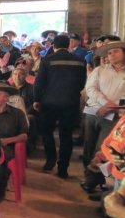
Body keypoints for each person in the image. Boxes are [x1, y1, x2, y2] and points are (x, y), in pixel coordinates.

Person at [33, 34, 87, 179]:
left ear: (53, 46)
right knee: (66, 136)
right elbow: (82, 84)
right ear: (69, 45)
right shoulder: (80, 61)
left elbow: (39, 83)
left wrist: (37, 99)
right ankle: (63, 168)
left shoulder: (48, 60)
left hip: (49, 102)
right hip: (70, 103)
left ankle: (50, 161)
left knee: (47, 131)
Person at [82, 40, 125, 182]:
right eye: (109, 52)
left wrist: (112, 106)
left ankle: (97, 181)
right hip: (93, 112)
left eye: (115, 51)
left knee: (103, 149)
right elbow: (91, 89)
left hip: (115, 115)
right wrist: (105, 103)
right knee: (88, 145)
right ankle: (88, 176)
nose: (111, 54)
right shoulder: (100, 70)